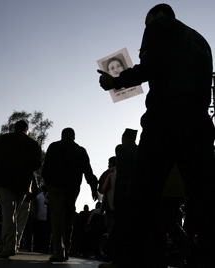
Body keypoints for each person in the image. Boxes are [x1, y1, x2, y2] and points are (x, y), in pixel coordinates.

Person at [98, 3, 215, 268]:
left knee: (142, 193)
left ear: (158, 15)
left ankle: (127, 259)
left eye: (146, 22)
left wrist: (114, 82)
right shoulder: (201, 41)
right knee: (204, 196)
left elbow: (150, 67)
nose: (146, 28)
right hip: (198, 123)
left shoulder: (160, 27)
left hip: (165, 120)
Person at [42, 127, 98, 262]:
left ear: (62, 136)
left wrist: (48, 186)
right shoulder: (80, 150)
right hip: (72, 189)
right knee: (68, 219)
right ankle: (66, 249)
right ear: (74, 137)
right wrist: (93, 188)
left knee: (57, 220)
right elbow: (87, 170)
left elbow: (45, 169)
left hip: (55, 188)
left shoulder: (54, 147)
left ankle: (58, 252)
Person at [0, 120, 42, 258]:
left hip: (4, 181)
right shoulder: (34, 144)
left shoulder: (1, 139)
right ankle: (7, 244)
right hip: (23, 183)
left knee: (8, 213)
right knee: (13, 214)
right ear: (27, 129)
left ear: (14, 128)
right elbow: (36, 164)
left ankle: (8, 246)